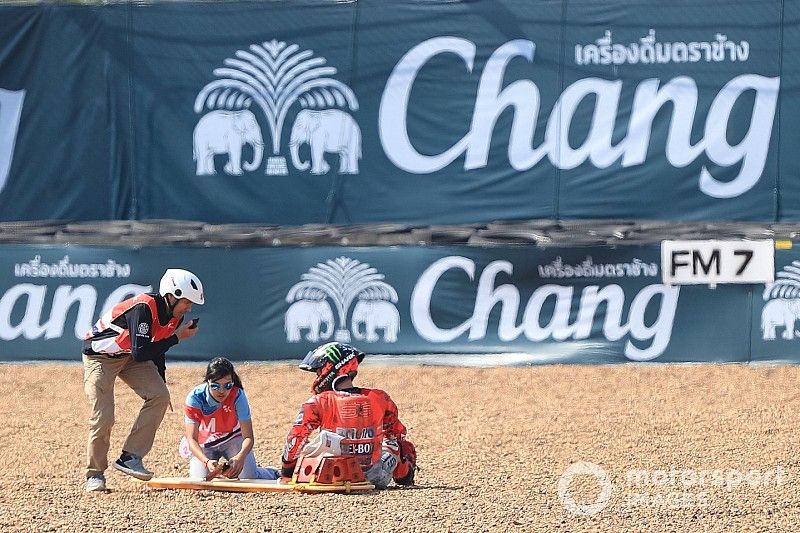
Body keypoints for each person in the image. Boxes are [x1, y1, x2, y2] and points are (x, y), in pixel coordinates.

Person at [82, 268, 204, 492]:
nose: (189, 308)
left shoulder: (175, 316)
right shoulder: (144, 308)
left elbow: (157, 348)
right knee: (104, 416)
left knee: (160, 396)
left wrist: (160, 382)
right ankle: (95, 474)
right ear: (172, 296)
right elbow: (142, 352)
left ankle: (130, 457)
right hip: (100, 357)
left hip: (128, 354)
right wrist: (177, 338)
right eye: (187, 302)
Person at [281, 342, 417, 489]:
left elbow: (295, 438)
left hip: (331, 475)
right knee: (395, 444)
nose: (318, 376)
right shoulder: (380, 398)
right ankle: (405, 476)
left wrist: (287, 471)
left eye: (319, 371)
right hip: (374, 477)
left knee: (307, 444)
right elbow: (396, 432)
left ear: (331, 368)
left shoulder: (319, 401)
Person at [181, 357, 279, 480]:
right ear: (207, 382)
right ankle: (221, 473)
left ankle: (272, 472)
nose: (222, 391)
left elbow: (248, 437)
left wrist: (240, 457)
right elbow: (191, 439)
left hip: (232, 438)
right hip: (204, 442)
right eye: (215, 386)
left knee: (249, 477)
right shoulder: (195, 398)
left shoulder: (237, 395)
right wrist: (206, 461)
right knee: (199, 480)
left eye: (227, 385)